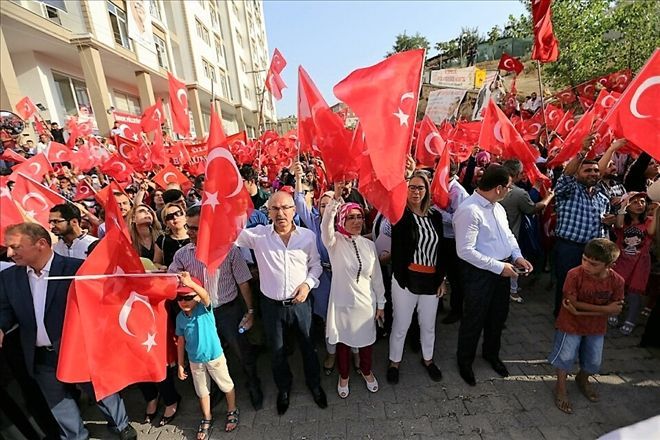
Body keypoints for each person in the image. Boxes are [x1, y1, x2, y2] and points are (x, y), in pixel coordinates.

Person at [0, 223, 137, 440]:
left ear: (41, 244)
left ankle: (120, 425)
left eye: (15, 247)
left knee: (101, 391)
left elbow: (106, 301)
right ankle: (75, 436)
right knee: (57, 403)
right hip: (40, 356)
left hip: (79, 349)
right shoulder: (9, 278)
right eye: (8, 247)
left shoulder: (78, 269)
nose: (9, 253)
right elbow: (5, 310)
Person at [235, 191, 327, 415]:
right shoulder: (258, 236)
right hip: (272, 306)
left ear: (294, 210)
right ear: (268, 212)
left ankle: (314, 384)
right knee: (276, 352)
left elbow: (316, 265)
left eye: (285, 207)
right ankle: (283, 389)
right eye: (275, 209)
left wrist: (307, 284)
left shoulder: (306, 237)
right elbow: (229, 234)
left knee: (308, 347)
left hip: (300, 305)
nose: (281, 213)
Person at [170, 205, 263, 410]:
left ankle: (253, 383)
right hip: (200, 315)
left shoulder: (229, 250)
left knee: (241, 350)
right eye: (189, 227)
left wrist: (250, 311)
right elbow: (171, 280)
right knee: (211, 355)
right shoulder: (183, 255)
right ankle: (220, 391)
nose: (190, 232)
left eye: (195, 228)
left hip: (227, 311)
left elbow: (243, 282)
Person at [453, 165, 534, 386]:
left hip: (503, 269)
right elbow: (465, 251)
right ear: (498, 188)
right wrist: (499, 267)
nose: (510, 190)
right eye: (509, 187)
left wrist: (517, 256)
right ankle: (465, 361)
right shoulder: (469, 210)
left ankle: (491, 354)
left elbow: (507, 235)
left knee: (498, 317)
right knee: (474, 319)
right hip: (480, 273)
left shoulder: (497, 207)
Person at [548, 238, 624, 414]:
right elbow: (571, 302)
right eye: (584, 259)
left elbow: (616, 309)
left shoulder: (617, 281)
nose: (587, 265)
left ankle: (582, 379)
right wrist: (604, 309)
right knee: (565, 358)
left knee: (593, 361)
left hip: (596, 327)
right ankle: (560, 388)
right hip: (570, 325)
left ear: (610, 264)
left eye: (594, 264)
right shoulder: (574, 274)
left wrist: (581, 311)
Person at [321, 191, 385, 398]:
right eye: (351, 217)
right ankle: (344, 376)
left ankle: (366, 371)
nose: (356, 221)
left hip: (366, 304)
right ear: (342, 219)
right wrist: (335, 200)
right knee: (343, 343)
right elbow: (325, 229)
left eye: (359, 217)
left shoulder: (368, 245)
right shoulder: (335, 243)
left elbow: (376, 277)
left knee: (366, 342)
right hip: (342, 305)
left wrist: (381, 303)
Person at [387, 171, 447, 385]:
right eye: (411, 187)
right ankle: (394, 362)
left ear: (427, 191)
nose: (415, 191)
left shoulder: (436, 217)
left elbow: (442, 251)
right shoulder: (400, 216)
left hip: (431, 281)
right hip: (405, 280)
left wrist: (442, 279)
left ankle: (428, 359)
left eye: (420, 188)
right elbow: (397, 250)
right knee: (401, 324)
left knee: (428, 324)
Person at [175, 272, 239, 436]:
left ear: (197, 296)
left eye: (188, 297)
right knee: (202, 391)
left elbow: (205, 295)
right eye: (180, 298)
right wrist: (181, 364)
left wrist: (190, 283)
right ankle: (207, 417)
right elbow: (181, 341)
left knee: (226, 384)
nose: (183, 302)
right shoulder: (180, 318)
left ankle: (232, 409)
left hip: (214, 357)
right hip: (195, 360)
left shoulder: (204, 309)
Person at [553, 137, 611, 317]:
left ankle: (582, 315)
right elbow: (567, 175)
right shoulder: (569, 189)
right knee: (567, 284)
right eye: (588, 170)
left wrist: (609, 221)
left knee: (588, 285)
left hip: (593, 250)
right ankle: (562, 317)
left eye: (595, 170)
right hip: (569, 247)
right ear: (578, 173)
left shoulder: (602, 197)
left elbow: (605, 222)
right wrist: (583, 151)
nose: (593, 173)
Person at [500, 160, 554, 303]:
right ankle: (511, 291)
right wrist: (548, 197)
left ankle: (511, 287)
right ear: (517, 174)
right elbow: (531, 209)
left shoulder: (496, 187)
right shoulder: (517, 193)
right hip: (511, 235)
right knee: (514, 263)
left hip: (498, 235)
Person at [610, 192, 658, 335]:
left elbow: (651, 232)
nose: (640, 205)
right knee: (618, 288)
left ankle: (630, 320)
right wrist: (622, 206)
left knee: (634, 293)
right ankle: (613, 312)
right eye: (635, 202)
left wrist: (656, 212)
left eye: (642, 202)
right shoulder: (623, 221)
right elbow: (618, 225)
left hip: (640, 264)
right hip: (623, 261)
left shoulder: (648, 221)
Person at [436, 161, 469, 324]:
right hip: (441, 237)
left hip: (453, 240)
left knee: (455, 278)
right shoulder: (440, 186)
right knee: (439, 272)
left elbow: (459, 219)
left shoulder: (457, 192)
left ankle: (457, 310)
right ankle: (439, 303)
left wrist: (436, 211)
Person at [156, 202, 190, 267]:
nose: (174, 217)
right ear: (166, 223)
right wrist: (161, 267)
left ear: (185, 217)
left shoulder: (195, 236)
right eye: (170, 217)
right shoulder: (162, 240)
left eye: (178, 213)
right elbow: (156, 262)